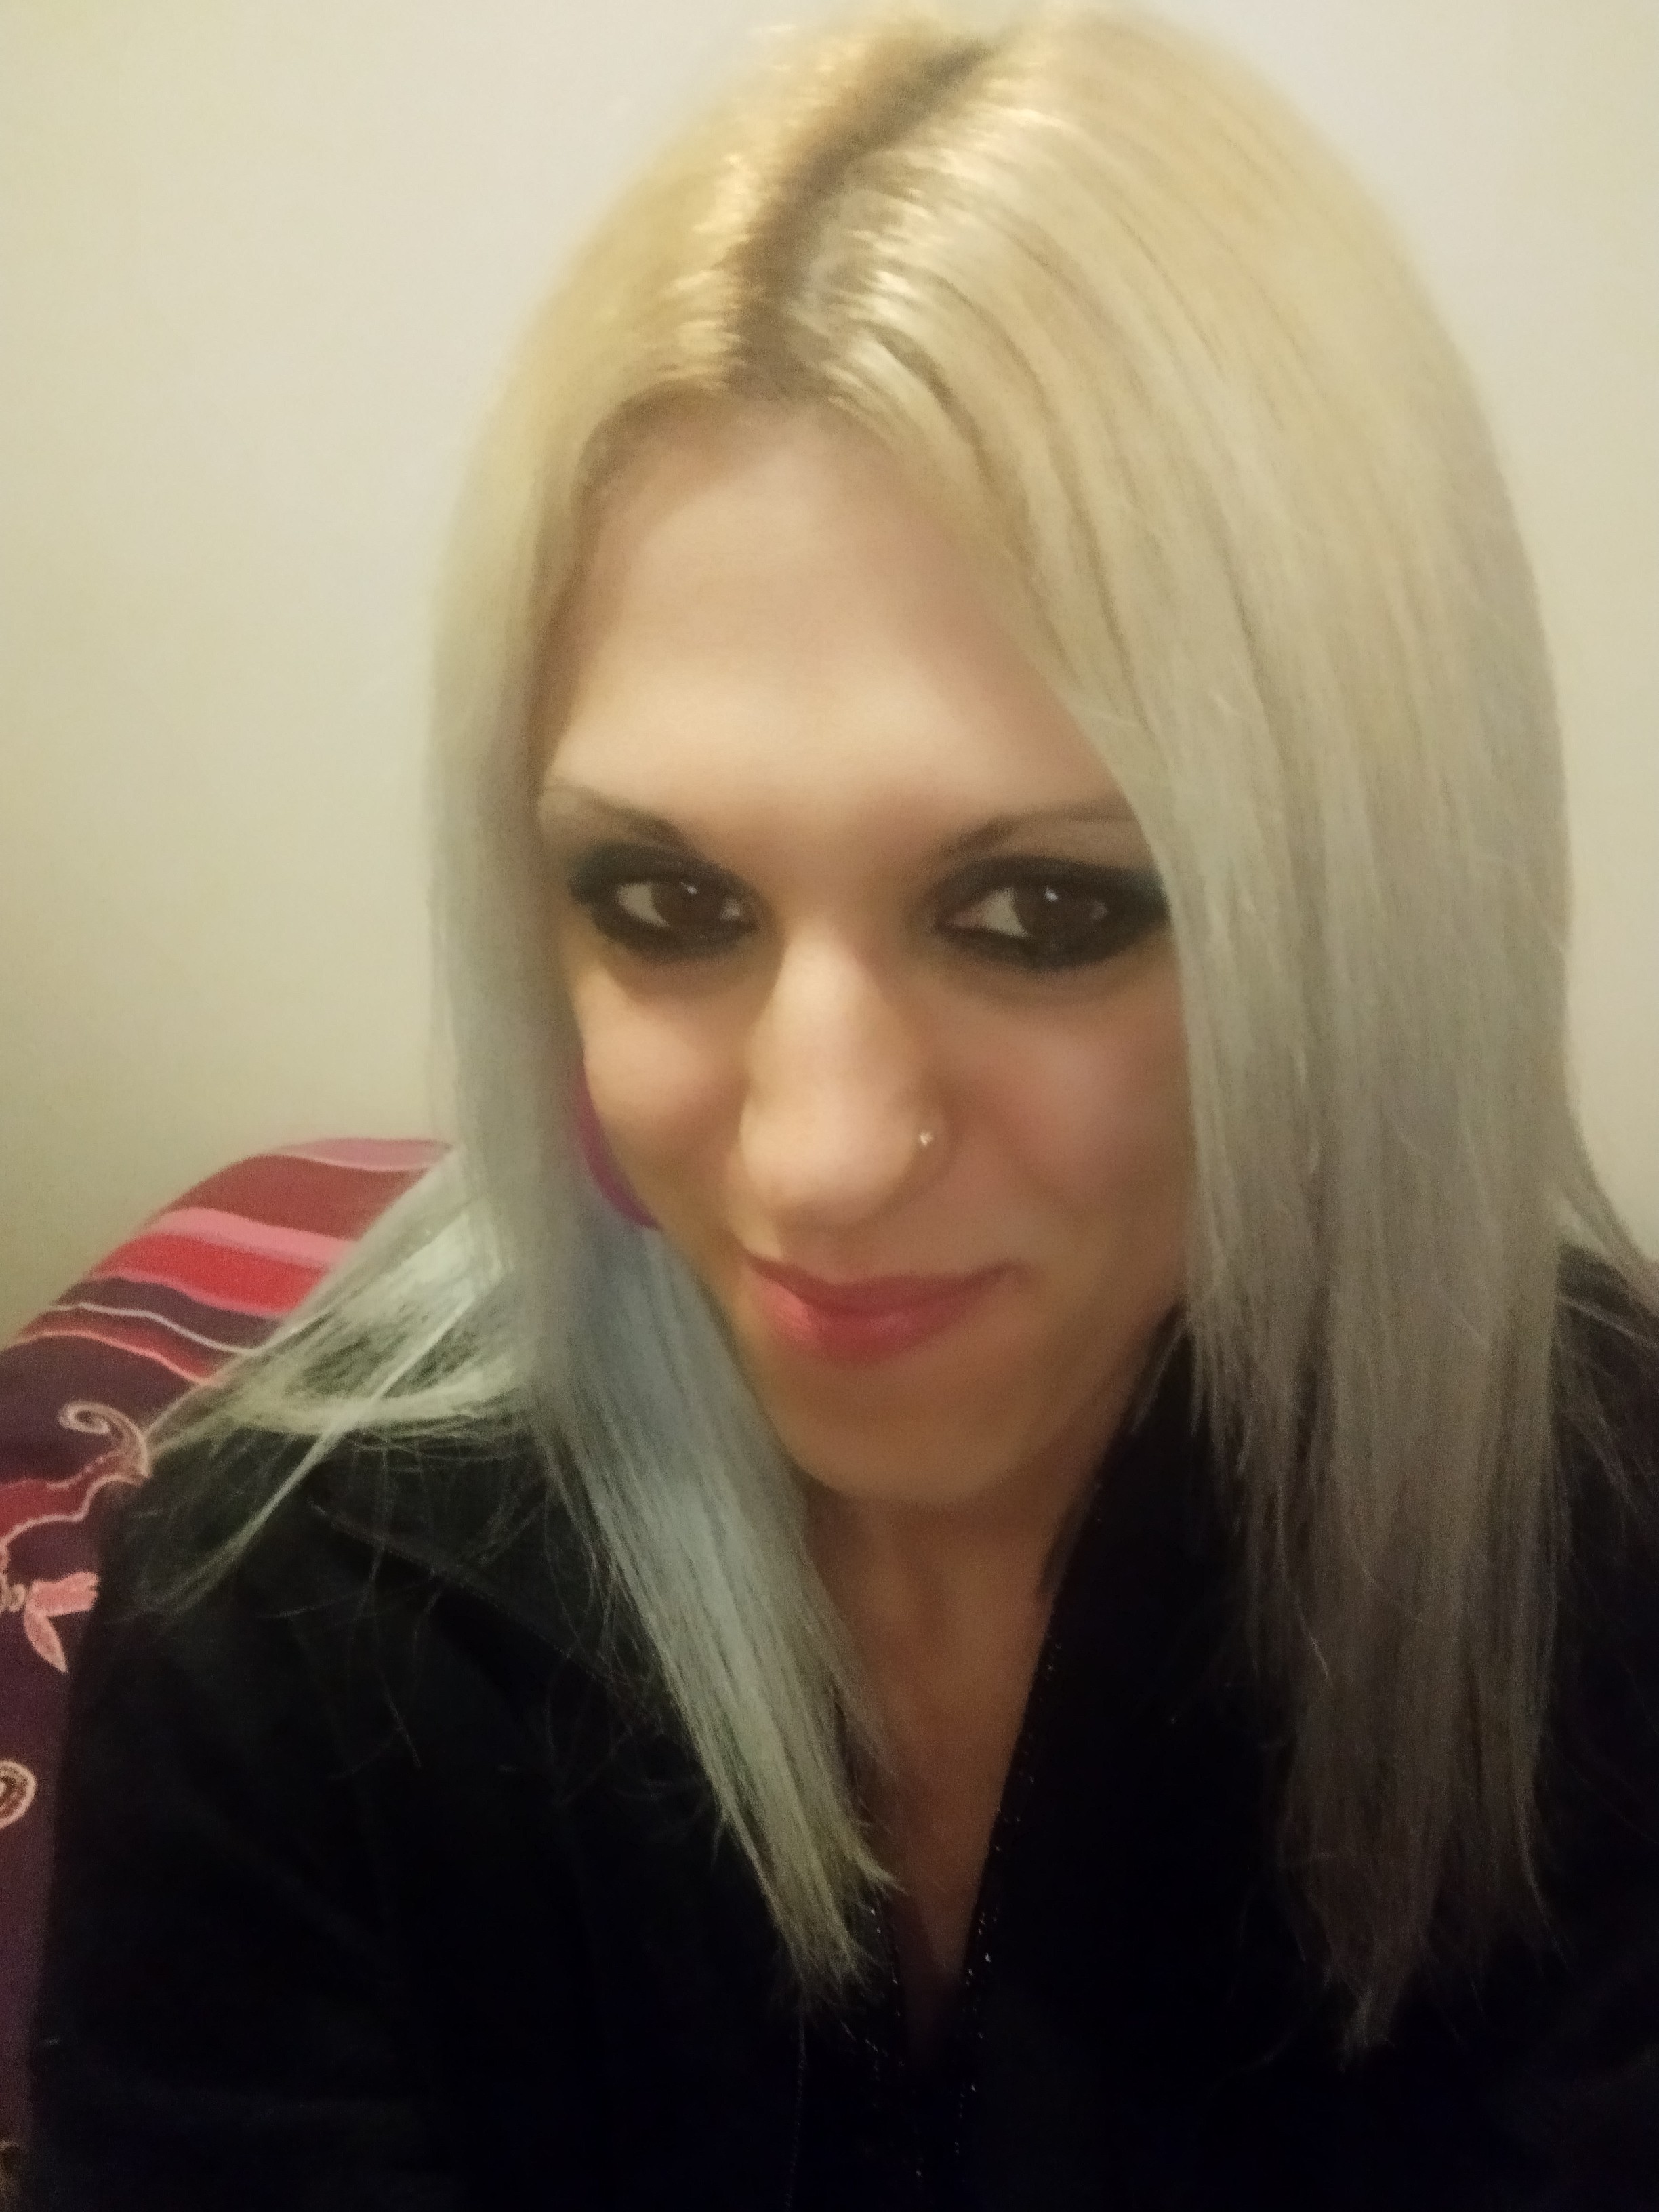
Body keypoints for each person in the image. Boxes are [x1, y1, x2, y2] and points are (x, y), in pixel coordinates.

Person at [23, 8, 1659, 2207]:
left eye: (1042, 911)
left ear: (1367, 925)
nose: (808, 1158)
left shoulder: (1595, 1553)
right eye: (668, 901)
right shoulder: (287, 1622)